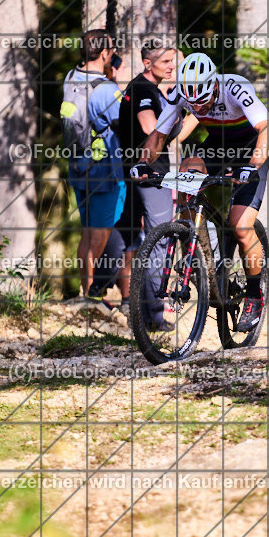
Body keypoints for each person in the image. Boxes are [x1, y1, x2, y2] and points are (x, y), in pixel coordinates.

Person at [131, 52, 269, 332]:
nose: (200, 106)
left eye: (205, 100)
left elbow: (266, 128)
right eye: (194, 103)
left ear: (215, 86)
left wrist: (253, 166)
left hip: (250, 149)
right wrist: (143, 162)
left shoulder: (235, 87)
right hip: (217, 146)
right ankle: (197, 242)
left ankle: (255, 295)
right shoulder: (182, 95)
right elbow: (159, 134)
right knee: (187, 169)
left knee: (241, 227)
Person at [114, 41, 180, 331]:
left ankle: (108, 294)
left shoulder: (145, 88)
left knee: (131, 234)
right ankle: (153, 316)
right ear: (147, 63)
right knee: (160, 239)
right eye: (165, 61)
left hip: (138, 170)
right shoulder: (142, 89)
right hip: (151, 172)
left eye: (172, 61)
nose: (170, 66)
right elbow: (147, 126)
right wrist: (176, 121)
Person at [61, 29, 126, 303]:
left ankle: (87, 293)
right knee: (101, 236)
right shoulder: (107, 91)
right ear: (103, 53)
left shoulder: (71, 79)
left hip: (78, 165)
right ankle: (91, 298)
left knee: (87, 234)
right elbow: (126, 122)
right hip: (105, 170)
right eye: (111, 50)